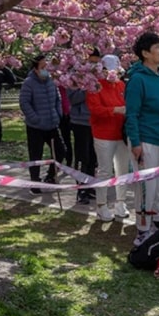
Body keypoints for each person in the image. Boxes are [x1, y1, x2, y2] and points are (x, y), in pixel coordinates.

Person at [125, 32, 159, 245]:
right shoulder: (138, 79)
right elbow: (132, 114)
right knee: (147, 188)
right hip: (146, 140)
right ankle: (143, 230)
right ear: (145, 53)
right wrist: (136, 143)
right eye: (157, 47)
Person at [86, 54, 131, 222]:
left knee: (123, 169)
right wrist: (115, 110)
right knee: (105, 170)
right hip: (103, 134)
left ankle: (121, 202)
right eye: (106, 70)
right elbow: (95, 109)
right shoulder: (95, 86)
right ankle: (101, 205)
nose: (111, 73)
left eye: (114, 70)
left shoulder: (122, 85)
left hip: (121, 134)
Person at [19, 54, 66, 194]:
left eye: (46, 66)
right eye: (42, 67)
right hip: (36, 126)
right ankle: (34, 183)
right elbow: (24, 102)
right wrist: (35, 118)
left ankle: (51, 176)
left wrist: (58, 113)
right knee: (36, 156)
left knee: (60, 151)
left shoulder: (51, 81)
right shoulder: (29, 83)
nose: (46, 69)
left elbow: (57, 99)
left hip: (52, 124)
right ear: (35, 69)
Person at [68, 50, 99, 205]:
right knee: (82, 157)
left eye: (96, 62)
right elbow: (72, 99)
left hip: (95, 121)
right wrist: (87, 88)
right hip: (80, 122)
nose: (94, 65)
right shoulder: (74, 76)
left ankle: (90, 185)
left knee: (93, 157)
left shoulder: (99, 74)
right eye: (91, 62)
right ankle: (81, 188)